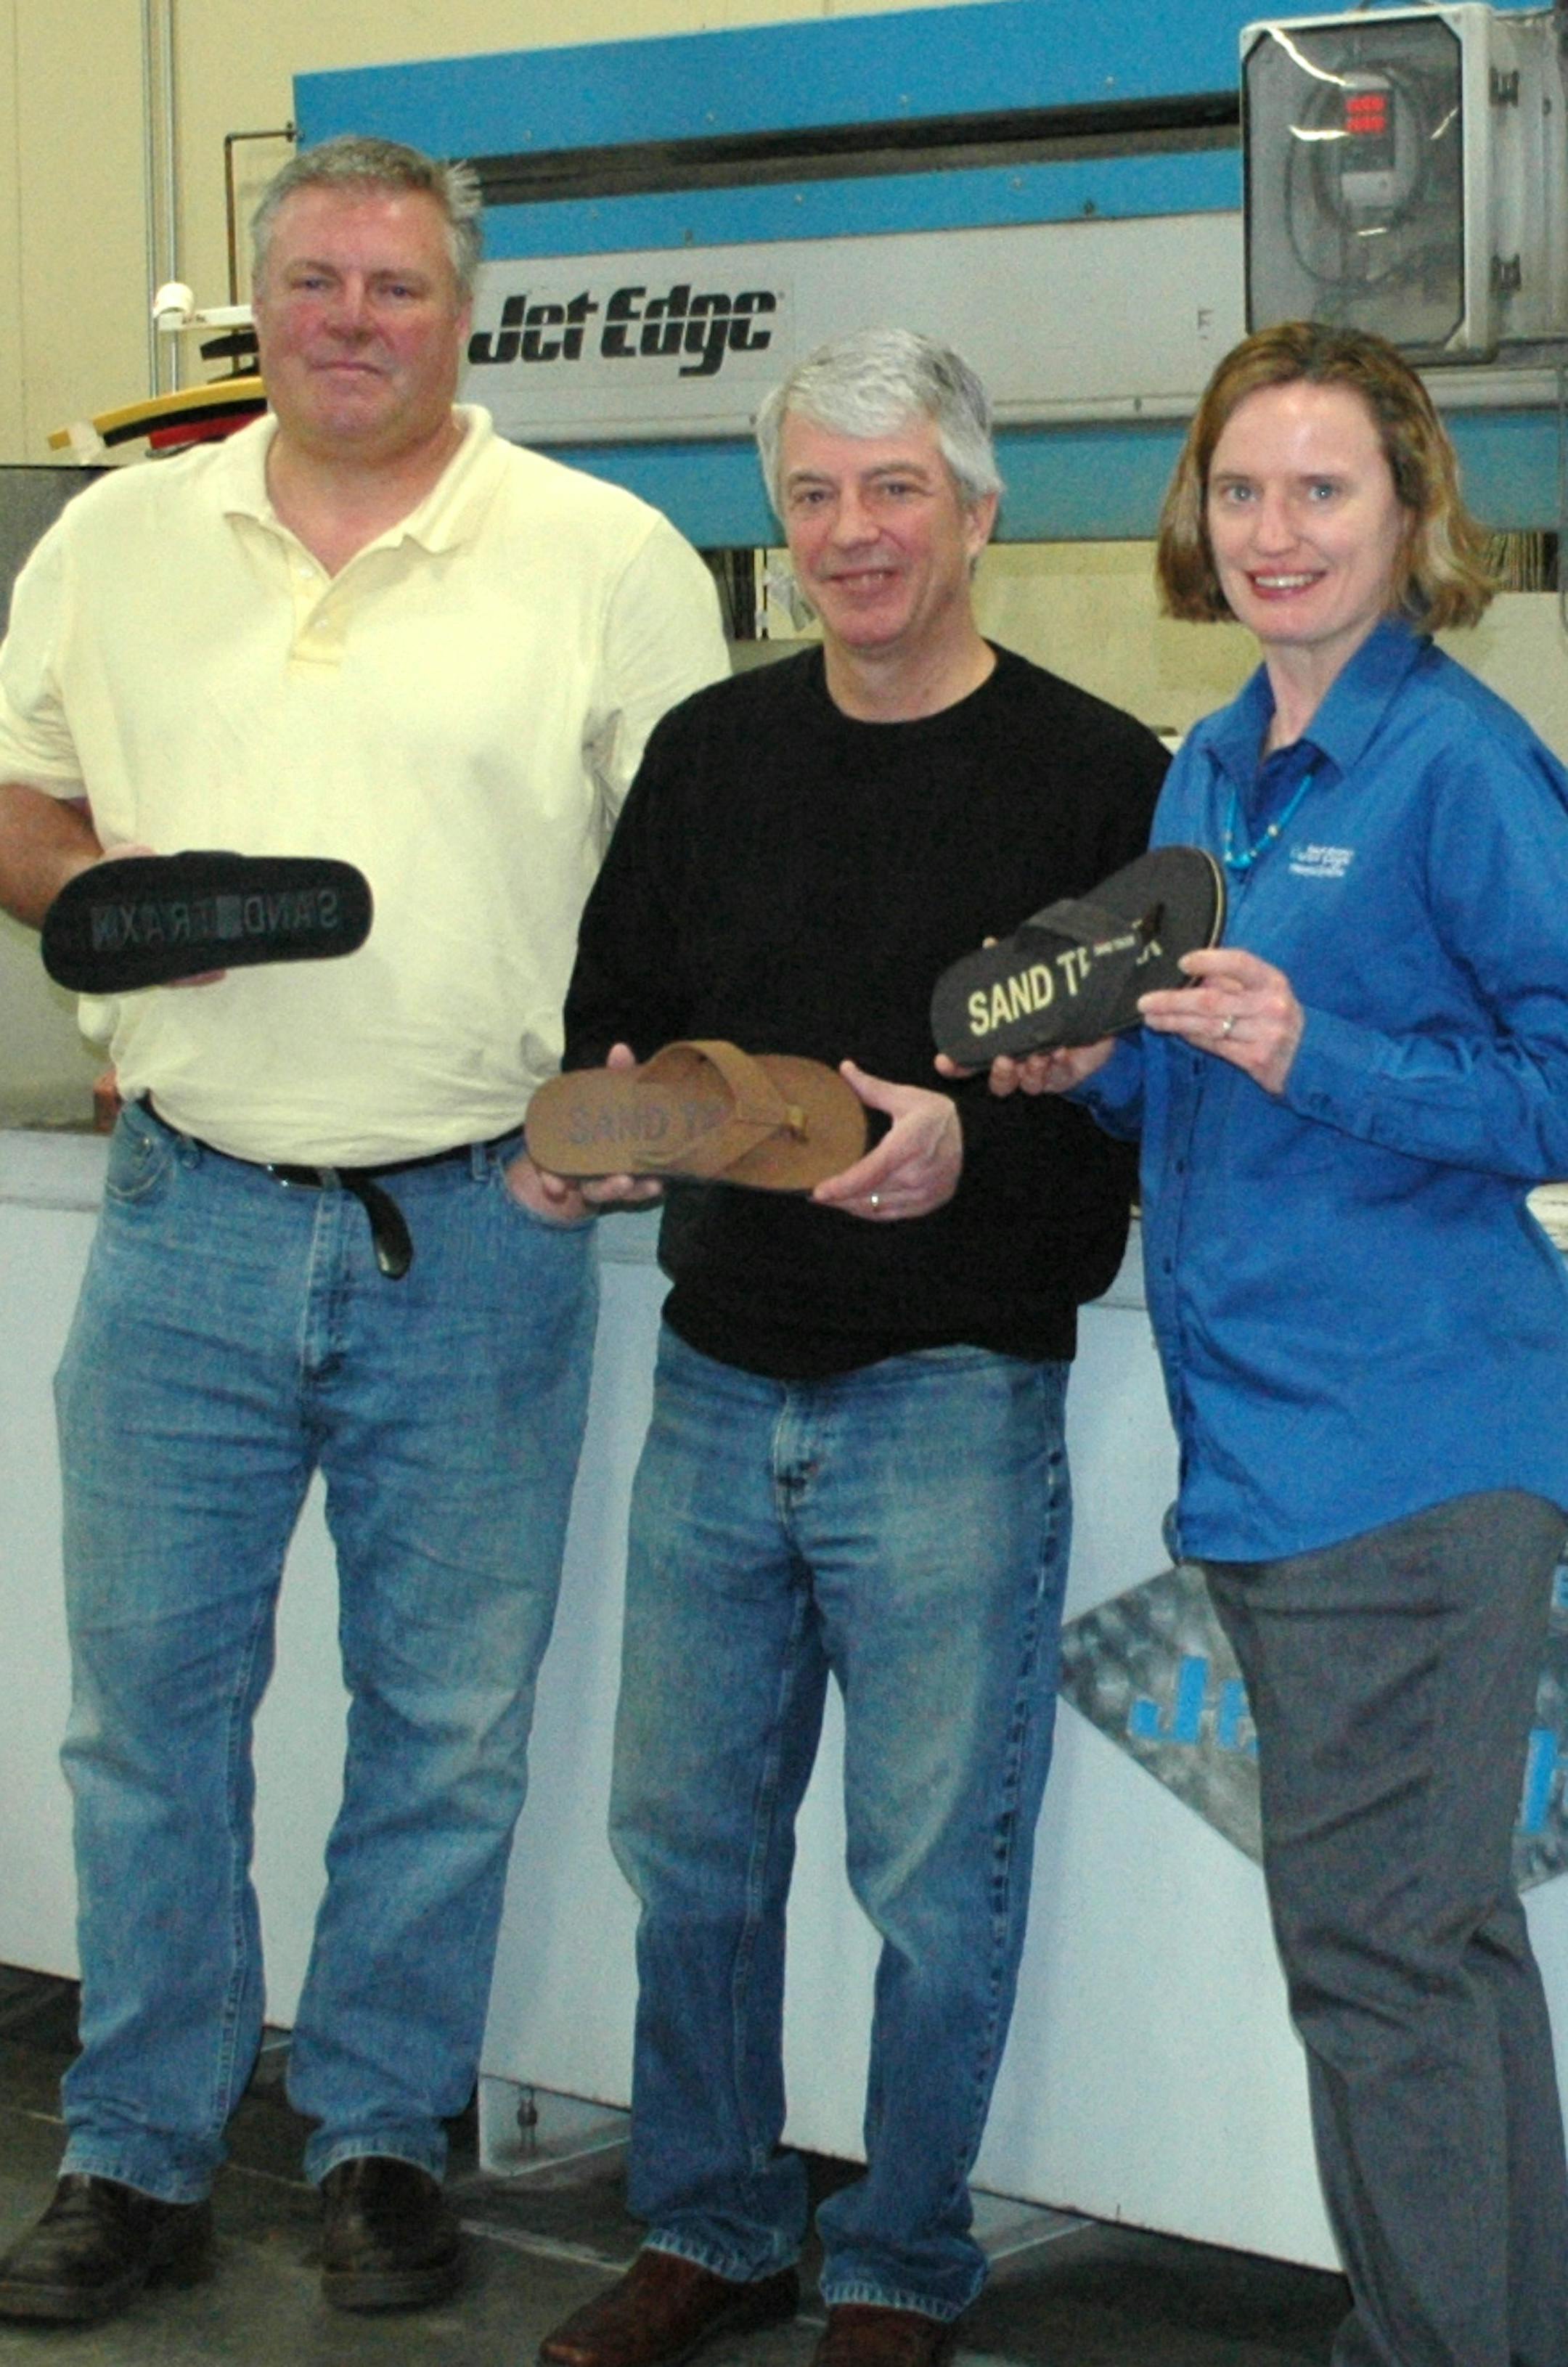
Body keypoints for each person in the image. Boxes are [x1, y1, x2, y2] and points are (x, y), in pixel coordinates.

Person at [0, 134, 727, 2323]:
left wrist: (630, 1111)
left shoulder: (601, 555)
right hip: (187, 1214)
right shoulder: (120, 540)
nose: (350, 317)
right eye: (313, 279)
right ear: (259, 299)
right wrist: (90, 903)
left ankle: (385, 2136)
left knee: (447, 1725)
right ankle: (132, 2154)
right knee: (148, 1717)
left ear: (464, 311)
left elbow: (693, 879)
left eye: (396, 286)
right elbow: (21, 793)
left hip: (482, 1223)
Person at [533, 330, 1169, 2367]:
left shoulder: (1103, 781)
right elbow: (613, 1029)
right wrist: (600, 1146)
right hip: (720, 1383)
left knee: (931, 1874)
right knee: (687, 1849)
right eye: (815, 495)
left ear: (980, 515)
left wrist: (961, 1149)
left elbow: (1119, 1144)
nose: (854, 534)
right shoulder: (712, 758)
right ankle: (714, 2224)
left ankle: (898, 2264)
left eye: (897, 491)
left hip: (953, 1402)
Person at [990, 320, 1568, 2367]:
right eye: (1242, 490)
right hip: (1276, 1456)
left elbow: (1557, 1084)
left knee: (1385, 1969)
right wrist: (1100, 1071)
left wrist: (1325, 1048)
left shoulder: (1461, 768)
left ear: (1415, 516)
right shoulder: (1214, 764)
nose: (1276, 530)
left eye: (1324, 489)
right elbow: (1209, 1089)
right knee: (1430, 1958)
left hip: (1408, 1453)